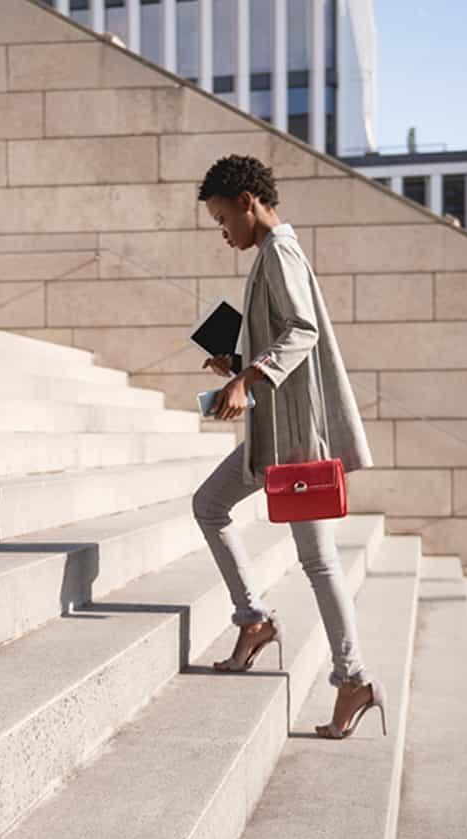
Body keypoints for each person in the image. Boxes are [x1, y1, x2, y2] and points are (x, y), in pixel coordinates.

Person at [192, 154, 387, 739]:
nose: (223, 232)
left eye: (224, 218)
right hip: (277, 439)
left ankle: (350, 677)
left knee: (316, 559)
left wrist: (245, 379)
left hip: (294, 443)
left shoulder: (279, 252)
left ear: (248, 201)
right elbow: (283, 334)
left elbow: (302, 329)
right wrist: (237, 362)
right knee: (213, 507)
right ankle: (257, 623)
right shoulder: (273, 254)